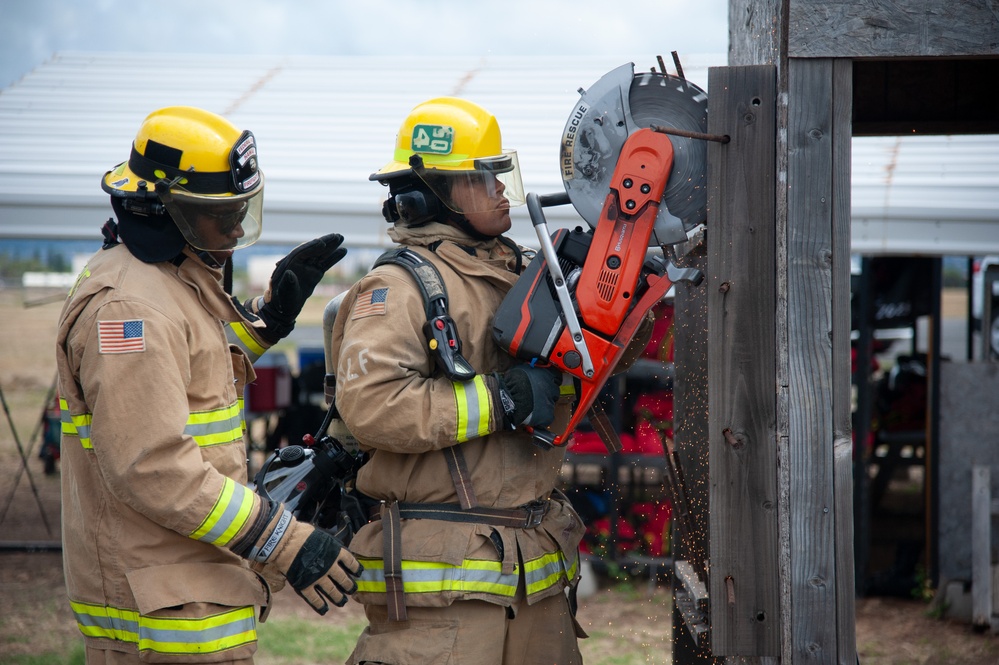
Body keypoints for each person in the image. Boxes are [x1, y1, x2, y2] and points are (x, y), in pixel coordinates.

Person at [328, 97, 653, 665]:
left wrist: (621, 301)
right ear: (431, 194)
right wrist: (502, 399)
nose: (502, 190)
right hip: (444, 590)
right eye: (483, 178)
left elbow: (593, 362)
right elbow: (373, 407)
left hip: (535, 572)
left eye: (501, 174)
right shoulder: (401, 288)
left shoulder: (519, 270)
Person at [55, 106, 363, 664]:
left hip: (184, 595)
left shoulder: (162, 282)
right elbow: (154, 468)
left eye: (244, 210)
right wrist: (283, 540)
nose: (239, 230)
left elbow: (188, 378)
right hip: (161, 618)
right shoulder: (130, 309)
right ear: (165, 212)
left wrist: (266, 321)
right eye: (224, 217)